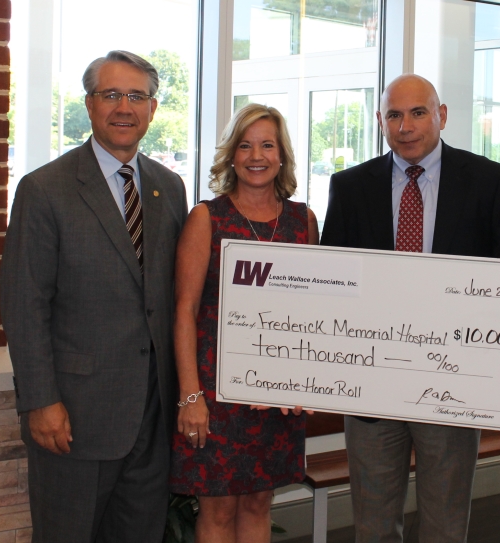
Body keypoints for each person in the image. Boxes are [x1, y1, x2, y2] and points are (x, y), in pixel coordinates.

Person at [320, 74, 500, 543]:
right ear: (380, 121)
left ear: (442, 116)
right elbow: (333, 282)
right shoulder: (350, 187)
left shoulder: (488, 181)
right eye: (394, 114)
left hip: (453, 386)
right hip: (372, 386)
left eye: (418, 112)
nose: (406, 125)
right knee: (373, 527)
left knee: (445, 527)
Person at [0, 51, 188, 542]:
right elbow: (25, 305)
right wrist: (41, 400)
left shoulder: (170, 188)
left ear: (152, 108)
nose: (123, 107)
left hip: (152, 416)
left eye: (136, 96)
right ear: (89, 104)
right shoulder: (44, 190)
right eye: (111, 95)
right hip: (75, 420)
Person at [169, 103, 319, 542]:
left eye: (268, 145)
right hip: (215, 393)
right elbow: (184, 310)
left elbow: (314, 313)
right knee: (216, 511)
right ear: (232, 156)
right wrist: (189, 395)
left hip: (278, 395)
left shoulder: (303, 222)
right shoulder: (207, 218)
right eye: (246, 145)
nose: (257, 156)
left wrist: (305, 381)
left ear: (281, 155)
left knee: (258, 503)